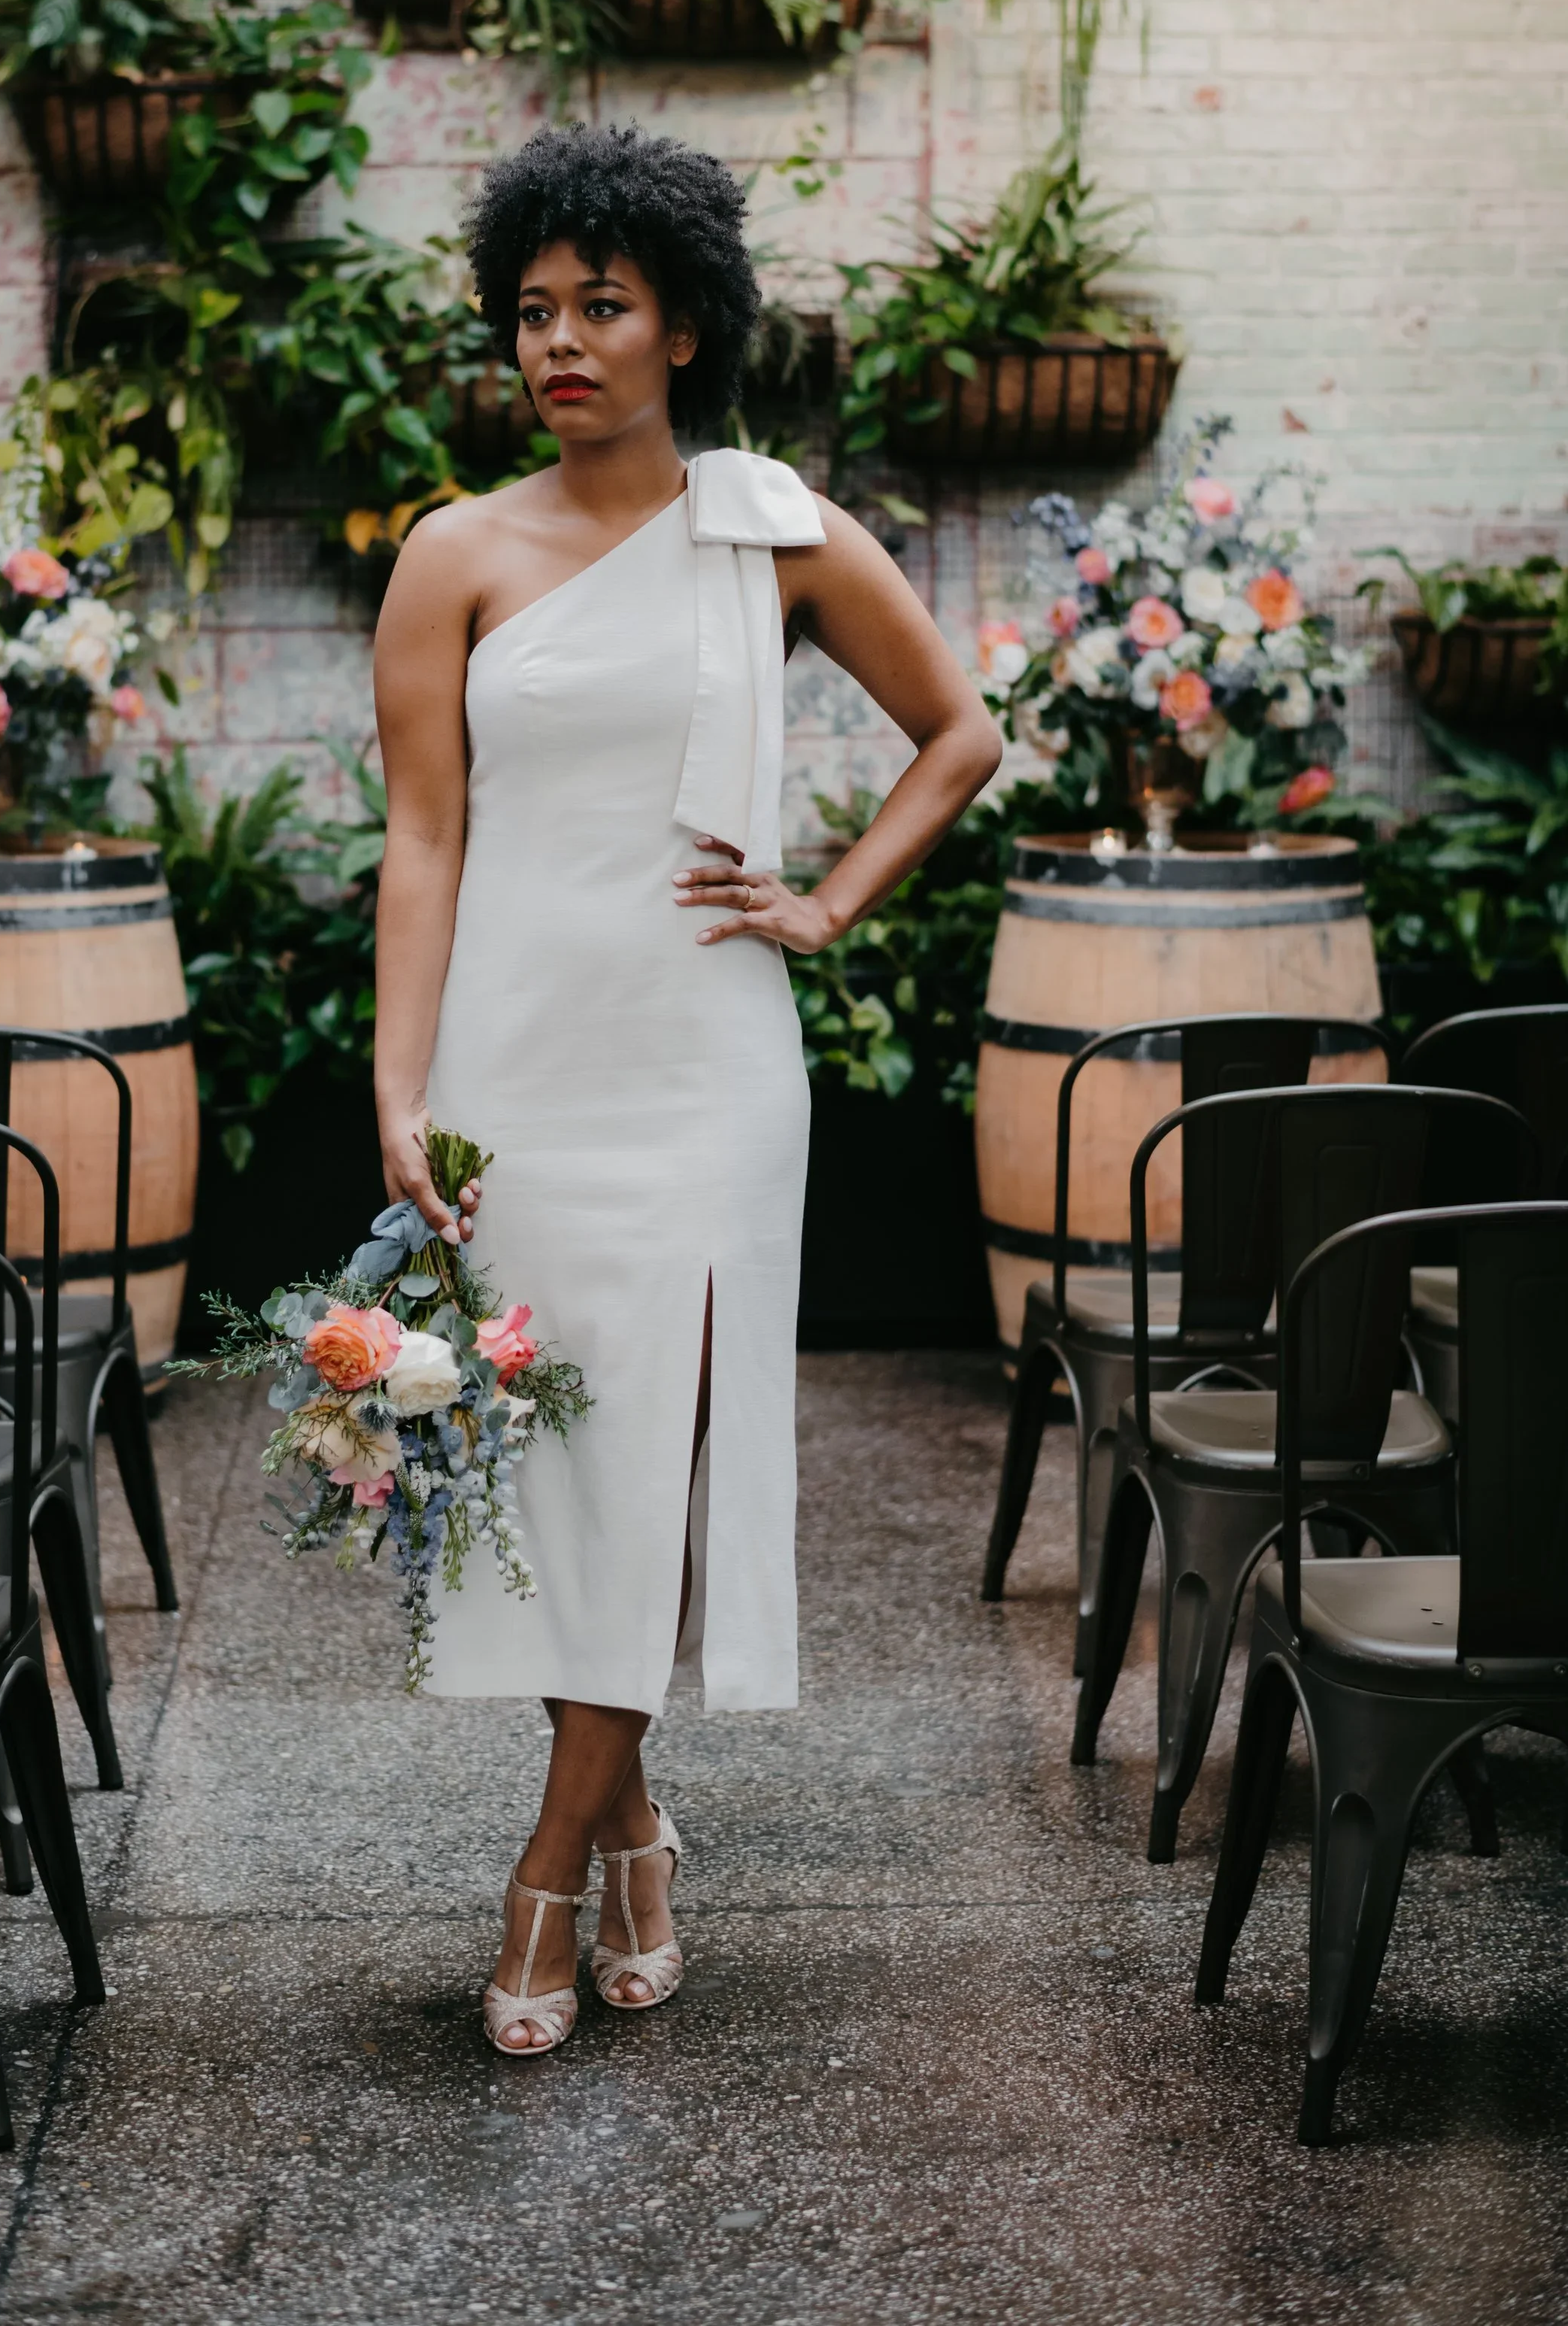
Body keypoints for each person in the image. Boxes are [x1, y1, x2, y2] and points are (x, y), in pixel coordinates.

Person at [372, 123, 1000, 2055]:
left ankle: (546, 1876)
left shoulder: (777, 529)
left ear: (686, 325)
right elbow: (418, 839)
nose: (557, 342)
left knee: (658, 1462)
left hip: (711, 1068)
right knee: (565, 1471)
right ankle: (634, 1826)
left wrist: (823, 901)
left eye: (601, 306)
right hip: (515, 1066)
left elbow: (959, 734)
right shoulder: (451, 554)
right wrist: (401, 1093)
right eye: (531, 312)